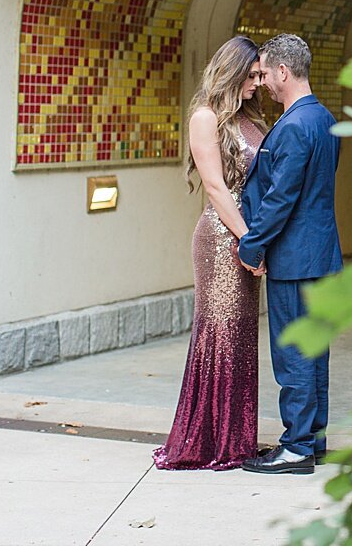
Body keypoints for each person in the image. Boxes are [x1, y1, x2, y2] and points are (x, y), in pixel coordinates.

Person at [153, 35, 268, 471]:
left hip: (244, 235)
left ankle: (235, 439)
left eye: (260, 75)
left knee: (241, 336)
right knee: (218, 334)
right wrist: (249, 240)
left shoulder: (250, 118)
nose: (258, 83)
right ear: (233, 72)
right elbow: (217, 187)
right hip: (221, 241)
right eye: (253, 74)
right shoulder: (204, 117)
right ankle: (209, 440)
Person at [237, 33, 342, 475]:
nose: (262, 83)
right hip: (321, 256)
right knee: (315, 353)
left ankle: (296, 447)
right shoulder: (324, 118)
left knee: (295, 354)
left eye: (265, 73)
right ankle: (313, 440)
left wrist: (252, 243)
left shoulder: (295, 124)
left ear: (284, 71)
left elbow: (282, 197)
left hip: (295, 260)